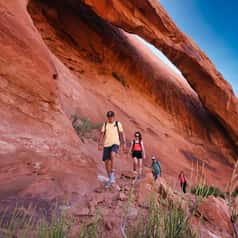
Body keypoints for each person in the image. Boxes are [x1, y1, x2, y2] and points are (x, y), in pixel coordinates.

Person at [98, 111, 126, 188]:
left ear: (114, 117)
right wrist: (100, 144)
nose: (110, 118)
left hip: (115, 143)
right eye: (109, 117)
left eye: (111, 117)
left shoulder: (117, 124)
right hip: (106, 144)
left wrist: (124, 143)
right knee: (106, 163)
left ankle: (113, 171)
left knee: (112, 154)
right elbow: (102, 134)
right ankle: (110, 178)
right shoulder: (105, 124)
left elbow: (122, 133)